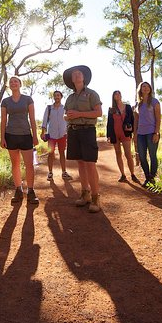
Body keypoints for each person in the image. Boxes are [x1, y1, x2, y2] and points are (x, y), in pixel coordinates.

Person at [63, 65, 103, 213]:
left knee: (90, 164)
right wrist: (68, 116)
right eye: (74, 74)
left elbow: (99, 113)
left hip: (87, 131)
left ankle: (95, 198)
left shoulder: (92, 94)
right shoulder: (70, 97)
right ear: (72, 80)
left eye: (79, 73)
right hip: (73, 131)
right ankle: (84, 194)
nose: (77, 75)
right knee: (80, 163)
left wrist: (79, 114)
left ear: (84, 77)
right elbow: (66, 115)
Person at [1, 76, 40, 205]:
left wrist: (35, 135)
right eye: (11, 82)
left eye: (15, 81)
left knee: (29, 164)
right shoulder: (5, 101)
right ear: (9, 85)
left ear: (20, 84)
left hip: (25, 135)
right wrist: (2, 138)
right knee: (15, 164)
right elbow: (3, 121)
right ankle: (18, 190)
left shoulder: (28, 99)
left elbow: (32, 119)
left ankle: (31, 191)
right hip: (10, 135)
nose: (13, 83)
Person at [106, 90, 140, 184]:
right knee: (118, 154)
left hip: (125, 133)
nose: (117, 95)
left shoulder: (127, 107)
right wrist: (108, 135)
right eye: (115, 94)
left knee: (128, 154)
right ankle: (123, 175)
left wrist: (133, 131)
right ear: (113, 97)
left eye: (118, 94)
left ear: (121, 95)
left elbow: (132, 120)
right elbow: (109, 123)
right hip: (115, 134)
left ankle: (133, 174)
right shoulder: (111, 109)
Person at [134, 81, 161, 187]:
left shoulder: (155, 102)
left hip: (151, 132)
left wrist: (156, 132)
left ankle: (152, 178)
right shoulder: (138, 104)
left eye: (147, 86)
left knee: (152, 155)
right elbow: (136, 120)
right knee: (142, 156)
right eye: (143, 87)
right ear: (140, 90)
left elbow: (158, 119)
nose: (145, 88)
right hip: (140, 133)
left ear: (150, 89)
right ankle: (147, 177)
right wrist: (135, 134)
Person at [40, 90, 71, 181]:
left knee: (62, 153)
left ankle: (64, 172)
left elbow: (68, 121)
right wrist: (43, 132)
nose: (56, 97)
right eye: (55, 96)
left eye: (58, 95)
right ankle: (50, 173)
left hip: (62, 134)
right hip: (51, 136)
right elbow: (44, 120)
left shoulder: (65, 108)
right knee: (50, 153)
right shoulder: (49, 108)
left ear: (61, 97)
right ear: (53, 97)